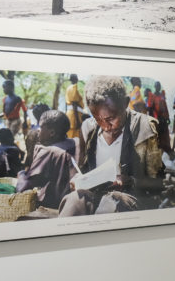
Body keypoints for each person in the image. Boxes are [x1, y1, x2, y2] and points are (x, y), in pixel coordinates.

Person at [58, 75, 163, 216]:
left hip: (129, 198)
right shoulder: (88, 129)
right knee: (74, 200)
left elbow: (159, 183)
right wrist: (77, 179)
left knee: (113, 202)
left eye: (110, 119)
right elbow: (82, 169)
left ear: (125, 103)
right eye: (97, 119)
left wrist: (131, 181)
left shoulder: (145, 128)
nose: (105, 127)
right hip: (94, 195)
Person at [16, 110, 77, 210]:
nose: (38, 130)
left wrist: (21, 174)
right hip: (76, 201)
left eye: (40, 127)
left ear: (52, 132)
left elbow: (23, 188)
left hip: (57, 207)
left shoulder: (48, 151)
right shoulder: (76, 141)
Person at [65, 74, 85, 139]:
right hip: (74, 114)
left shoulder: (68, 88)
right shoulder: (73, 87)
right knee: (75, 135)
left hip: (70, 114)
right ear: (75, 79)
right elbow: (74, 104)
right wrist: (77, 120)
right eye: (76, 78)